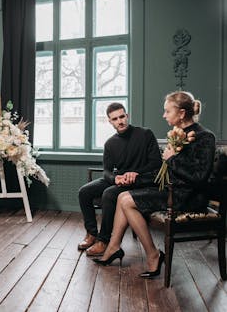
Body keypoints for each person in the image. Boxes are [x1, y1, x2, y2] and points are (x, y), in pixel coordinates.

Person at [92, 91, 216, 278]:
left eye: (167, 111)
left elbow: (199, 177)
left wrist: (172, 159)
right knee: (122, 196)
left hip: (188, 197)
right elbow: (166, 173)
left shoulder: (205, 137)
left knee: (126, 201)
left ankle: (152, 255)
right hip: (171, 190)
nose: (164, 115)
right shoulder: (179, 134)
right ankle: (114, 247)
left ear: (182, 113)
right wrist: (135, 178)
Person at [78, 103, 162, 256]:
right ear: (110, 121)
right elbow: (107, 171)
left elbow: (156, 163)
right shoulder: (110, 143)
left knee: (109, 194)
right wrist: (115, 178)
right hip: (120, 179)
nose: (120, 121)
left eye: (122, 117)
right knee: (84, 192)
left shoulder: (145, 134)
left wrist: (135, 173)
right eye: (115, 119)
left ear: (127, 115)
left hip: (140, 180)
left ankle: (104, 241)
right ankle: (91, 234)